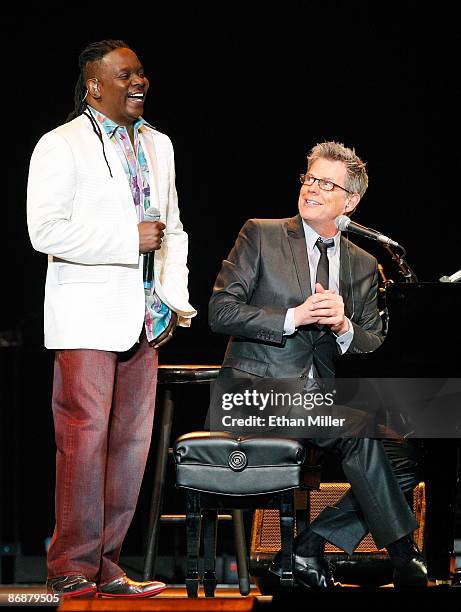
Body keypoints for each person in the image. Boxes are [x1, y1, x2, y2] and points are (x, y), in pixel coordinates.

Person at [208, 141, 426, 589]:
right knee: (360, 430)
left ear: (350, 202)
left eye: (327, 184)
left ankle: (306, 548)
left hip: (317, 401)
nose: (312, 189)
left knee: (405, 455)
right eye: (310, 178)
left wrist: (344, 324)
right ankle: (404, 555)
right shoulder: (262, 234)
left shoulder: (364, 264)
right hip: (255, 392)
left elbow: (372, 342)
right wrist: (293, 317)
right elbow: (219, 311)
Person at [27, 40, 196, 598]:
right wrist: (128, 239)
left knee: (130, 447)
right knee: (84, 440)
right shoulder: (61, 144)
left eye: (142, 72)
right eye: (124, 75)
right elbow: (44, 231)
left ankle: (108, 566)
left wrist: (173, 299)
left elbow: (173, 229)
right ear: (94, 84)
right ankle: (70, 567)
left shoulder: (160, 144)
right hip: (87, 316)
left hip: (144, 317)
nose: (138, 82)